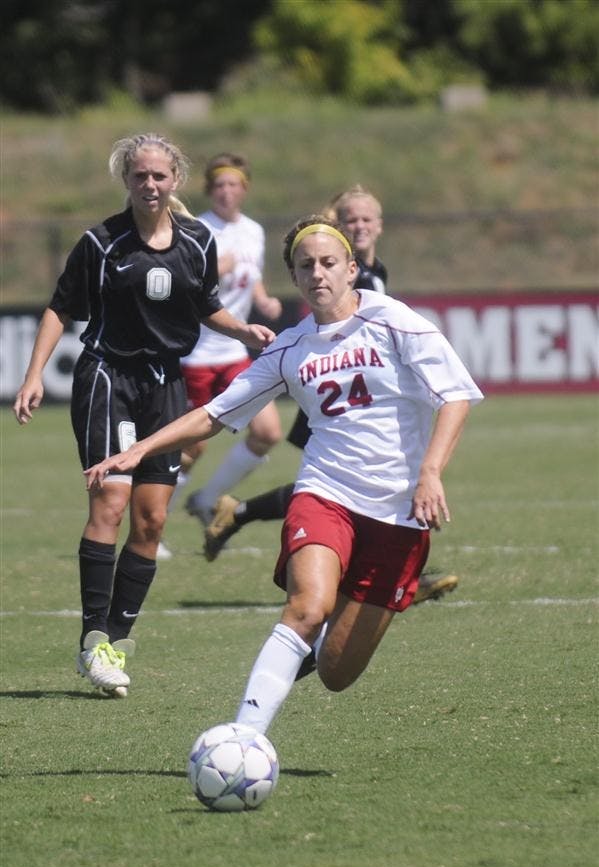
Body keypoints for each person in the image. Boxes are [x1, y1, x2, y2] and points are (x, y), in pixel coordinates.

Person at [84, 214, 483, 734]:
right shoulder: (290, 347)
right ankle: (243, 737)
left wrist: (430, 472)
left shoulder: (393, 320)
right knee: (307, 607)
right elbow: (215, 414)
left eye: (328, 262)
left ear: (351, 269)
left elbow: (455, 395)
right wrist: (140, 450)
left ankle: (311, 654)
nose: (317, 273)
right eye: (305, 265)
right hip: (325, 493)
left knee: (336, 672)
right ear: (293, 277)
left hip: (399, 512)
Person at [13, 133, 275, 698]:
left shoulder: (197, 240)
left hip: (166, 384)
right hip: (109, 377)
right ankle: (92, 641)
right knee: (111, 501)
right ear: (126, 180)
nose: (150, 185)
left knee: (153, 519)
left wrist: (244, 331)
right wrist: (34, 375)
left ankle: (115, 641)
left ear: (175, 179)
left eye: (159, 176)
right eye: (140, 176)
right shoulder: (101, 242)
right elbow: (61, 308)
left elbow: (206, 306)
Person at [203, 186, 458, 605]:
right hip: (336, 389)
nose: (359, 225)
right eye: (350, 219)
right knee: (332, 484)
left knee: (334, 483)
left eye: (366, 219)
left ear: (379, 225)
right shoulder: (351, 275)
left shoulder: (374, 271)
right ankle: (383, 573)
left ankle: (242, 513)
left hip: (354, 385)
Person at [160, 153, 283, 557]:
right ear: (209, 191)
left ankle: (206, 499)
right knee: (191, 448)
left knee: (267, 432)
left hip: (234, 352)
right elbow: (179, 285)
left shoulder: (254, 231)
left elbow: (252, 275)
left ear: (244, 189)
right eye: (218, 185)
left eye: (233, 185)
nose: (225, 192)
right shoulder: (196, 230)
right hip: (196, 355)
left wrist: (263, 300)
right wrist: (215, 268)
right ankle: (152, 531)